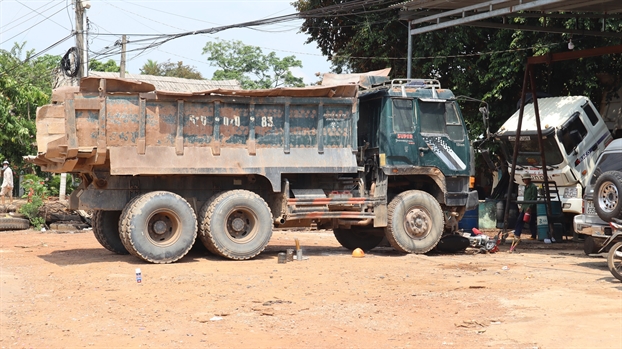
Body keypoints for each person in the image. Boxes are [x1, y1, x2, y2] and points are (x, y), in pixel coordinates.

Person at [512, 173, 538, 240]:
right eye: (524, 180)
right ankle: (517, 234)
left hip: (530, 208)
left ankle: (533, 235)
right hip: (525, 207)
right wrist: (522, 207)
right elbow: (525, 198)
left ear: (529, 179)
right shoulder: (526, 187)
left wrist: (530, 207)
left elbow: (533, 197)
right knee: (520, 220)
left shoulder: (533, 187)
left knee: (531, 222)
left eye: (526, 179)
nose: (525, 181)